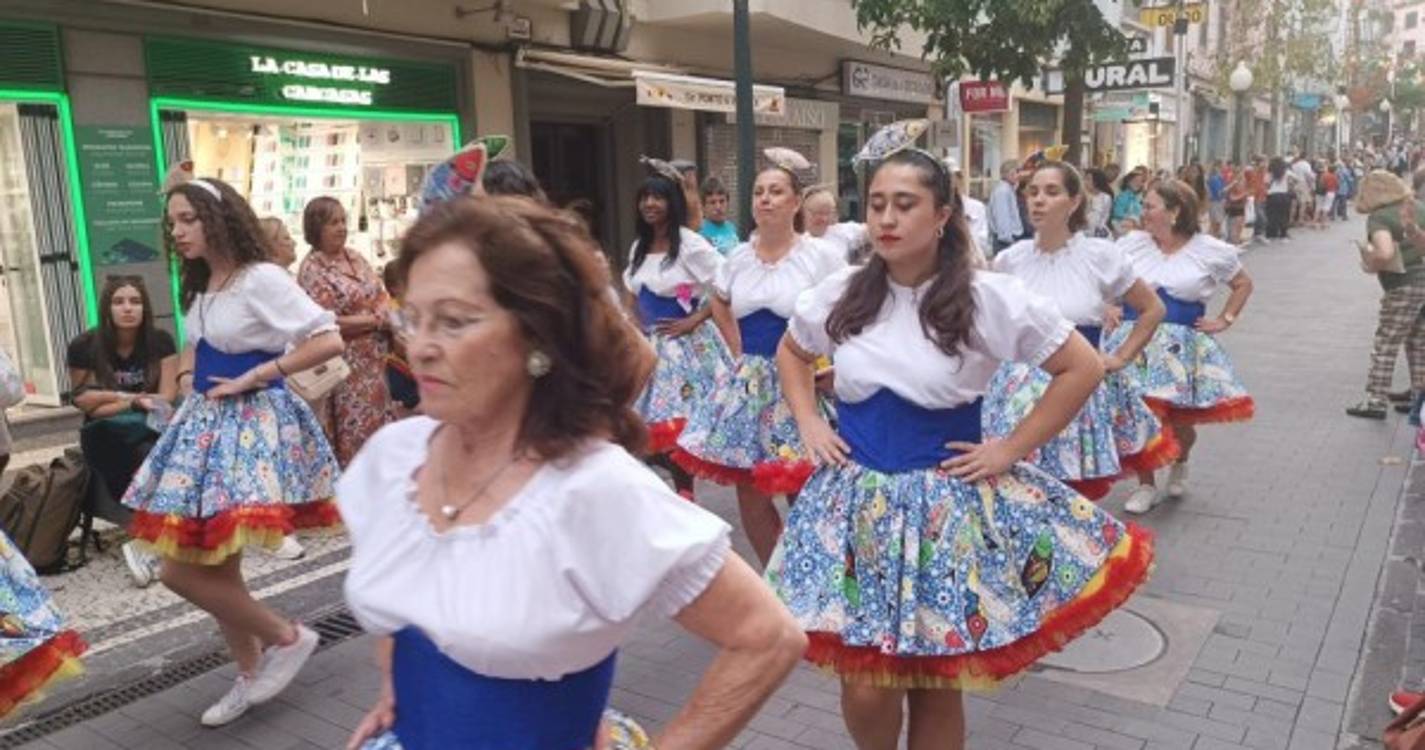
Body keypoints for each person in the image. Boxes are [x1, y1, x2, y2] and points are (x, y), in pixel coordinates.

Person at [339, 195, 806, 750]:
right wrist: (400, 690)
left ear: (537, 334)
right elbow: (407, 601)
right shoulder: (394, 458)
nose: (421, 347)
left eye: (455, 322)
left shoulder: (590, 487)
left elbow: (768, 638)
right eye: (412, 318)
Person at [768, 145, 1153, 750]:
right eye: (876, 206)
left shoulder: (988, 297)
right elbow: (792, 350)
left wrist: (1007, 449)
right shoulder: (843, 290)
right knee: (866, 683)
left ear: (942, 214)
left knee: (934, 679)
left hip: (945, 506)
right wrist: (809, 422)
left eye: (905, 205)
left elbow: (1080, 368)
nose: (887, 219)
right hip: (855, 507)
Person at [122, 177, 344, 726]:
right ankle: (250, 673)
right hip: (204, 426)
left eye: (186, 220)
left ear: (216, 219)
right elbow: (196, 342)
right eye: (172, 223)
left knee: (180, 570)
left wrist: (257, 375)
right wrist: (194, 374)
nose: (176, 233)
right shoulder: (202, 283)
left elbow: (328, 338)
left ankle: (287, 638)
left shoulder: (261, 278)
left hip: (246, 428)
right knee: (215, 568)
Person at [673, 149, 846, 566]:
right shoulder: (737, 258)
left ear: (795, 202)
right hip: (750, 385)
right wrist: (736, 350)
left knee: (804, 487)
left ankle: (810, 577)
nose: (765, 199)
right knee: (750, 491)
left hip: (803, 382)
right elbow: (720, 300)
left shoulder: (820, 256)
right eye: (758, 193)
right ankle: (777, 581)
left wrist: (834, 363)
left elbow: (849, 315)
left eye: (776, 191)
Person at [984, 162, 1175, 500]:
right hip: (1013, 393)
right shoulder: (1010, 259)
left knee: (1071, 494)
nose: (1038, 200)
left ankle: (1144, 491)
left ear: (1074, 202)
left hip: (1076, 387)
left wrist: (1120, 356)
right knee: (1017, 488)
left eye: (1051, 192)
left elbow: (1152, 308)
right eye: (1033, 192)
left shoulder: (1101, 255)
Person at [1108, 180, 1255, 513]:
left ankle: (1180, 461)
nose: (1141, 213)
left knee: (1179, 423)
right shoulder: (1132, 245)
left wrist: (1225, 318)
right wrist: (1111, 305)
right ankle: (1145, 484)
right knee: (1136, 413)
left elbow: (1243, 284)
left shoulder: (1210, 250)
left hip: (1180, 346)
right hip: (1133, 342)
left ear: (1174, 212)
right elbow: (1108, 281)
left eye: (1150, 206)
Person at [624, 163, 729, 500]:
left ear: (672, 201)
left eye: (657, 197)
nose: (649, 204)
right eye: (644, 198)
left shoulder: (689, 243)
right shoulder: (638, 246)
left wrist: (696, 319)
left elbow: (726, 285)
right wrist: (632, 322)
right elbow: (631, 291)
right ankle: (674, 497)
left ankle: (685, 497)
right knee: (643, 432)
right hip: (649, 347)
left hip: (686, 350)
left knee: (677, 430)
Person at [66, 275, 178, 587]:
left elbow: (167, 396)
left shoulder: (160, 341)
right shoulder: (84, 346)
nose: (128, 308)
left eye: (135, 301)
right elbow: (86, 405)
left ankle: (164, 539)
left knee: (177, 452)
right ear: (106, 308)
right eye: (119, 302)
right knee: (142, 454)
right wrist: (132, 401)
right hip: (104, 432)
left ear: (145, 308)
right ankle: (148, 539)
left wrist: (111, 397)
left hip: (152, 423)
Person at [297, 197, 395, 466]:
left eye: (343, 221)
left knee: (380, 427)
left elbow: (380, 292)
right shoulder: (312, 268)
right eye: (333, 223)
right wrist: (374, 320)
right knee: (354, 434)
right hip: (343, 365)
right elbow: (326, 321)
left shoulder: (356, 257)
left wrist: (383, 311)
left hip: (374, 361)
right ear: (316, 228)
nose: (341, 228)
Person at [1346, 171, 1425, 419]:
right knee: (1418, 342)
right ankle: (1417, 396)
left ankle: (1376, 400)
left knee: (1387, 342)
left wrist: (1369, 262)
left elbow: (1384, 252)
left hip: (1403, 284)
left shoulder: (1379, 217)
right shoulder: (1418, 207)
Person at [802, 185, 870, 262]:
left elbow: (873, 230)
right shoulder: (796, 240)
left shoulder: (841, 232)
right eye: (818, 213)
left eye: (829, 213)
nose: (824, 219)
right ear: (803, 213)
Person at [987, 159, 1025, 254]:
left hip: (1007, 240)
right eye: (1016, 172)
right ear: (1008, 174)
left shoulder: (1008, 189)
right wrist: (1010, 241)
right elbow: (1003, 217)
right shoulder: (1003, 191)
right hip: (1005, 242)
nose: (1018, 175)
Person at [698, 176, 741, 255]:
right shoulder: (700, 233)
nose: (718, 207)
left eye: (722, 201)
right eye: (712, 202)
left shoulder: (731, 227)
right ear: (703, 206)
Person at [1265, 157, 1294, 241]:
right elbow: (1297, 179)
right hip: (1284, 195)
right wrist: (1290, 184)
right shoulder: (1286, 172)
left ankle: (1271, 234)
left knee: (1272, 215)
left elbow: (1266, 182)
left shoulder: (1270, 173)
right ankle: (1283, 234)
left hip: (1272, 195)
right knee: (1284, 215)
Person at [1112, 170, 1146, 235]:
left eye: (1140, 181)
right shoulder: (1123, 196)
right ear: (1128, 182)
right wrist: (1133, 220)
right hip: (1123, 227)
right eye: (1135, 181)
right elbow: (1118, 213)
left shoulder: (1137, 197)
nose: (1138, 183)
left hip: (1135, 226)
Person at [1084, 167, 1114, 238]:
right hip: (1083, 230)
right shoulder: (1081, 196)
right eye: (1085, 178)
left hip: (1098, 231)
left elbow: (1105, 216)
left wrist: (1098, 229)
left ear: (1096, 181)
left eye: (1088, 179)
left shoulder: (1106, 198)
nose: (1085, 182)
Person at [1206, 161, 1227, 238]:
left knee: (1217, 223)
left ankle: (1212, 238)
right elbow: (1219, 192)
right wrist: (1231, 186)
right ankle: (1211, 238)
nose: (1223, 168)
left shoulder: (1219, 178)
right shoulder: (1214, 179)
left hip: (1218, 202)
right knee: (1216, 223)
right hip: (1215, 202)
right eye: (1222, 166)